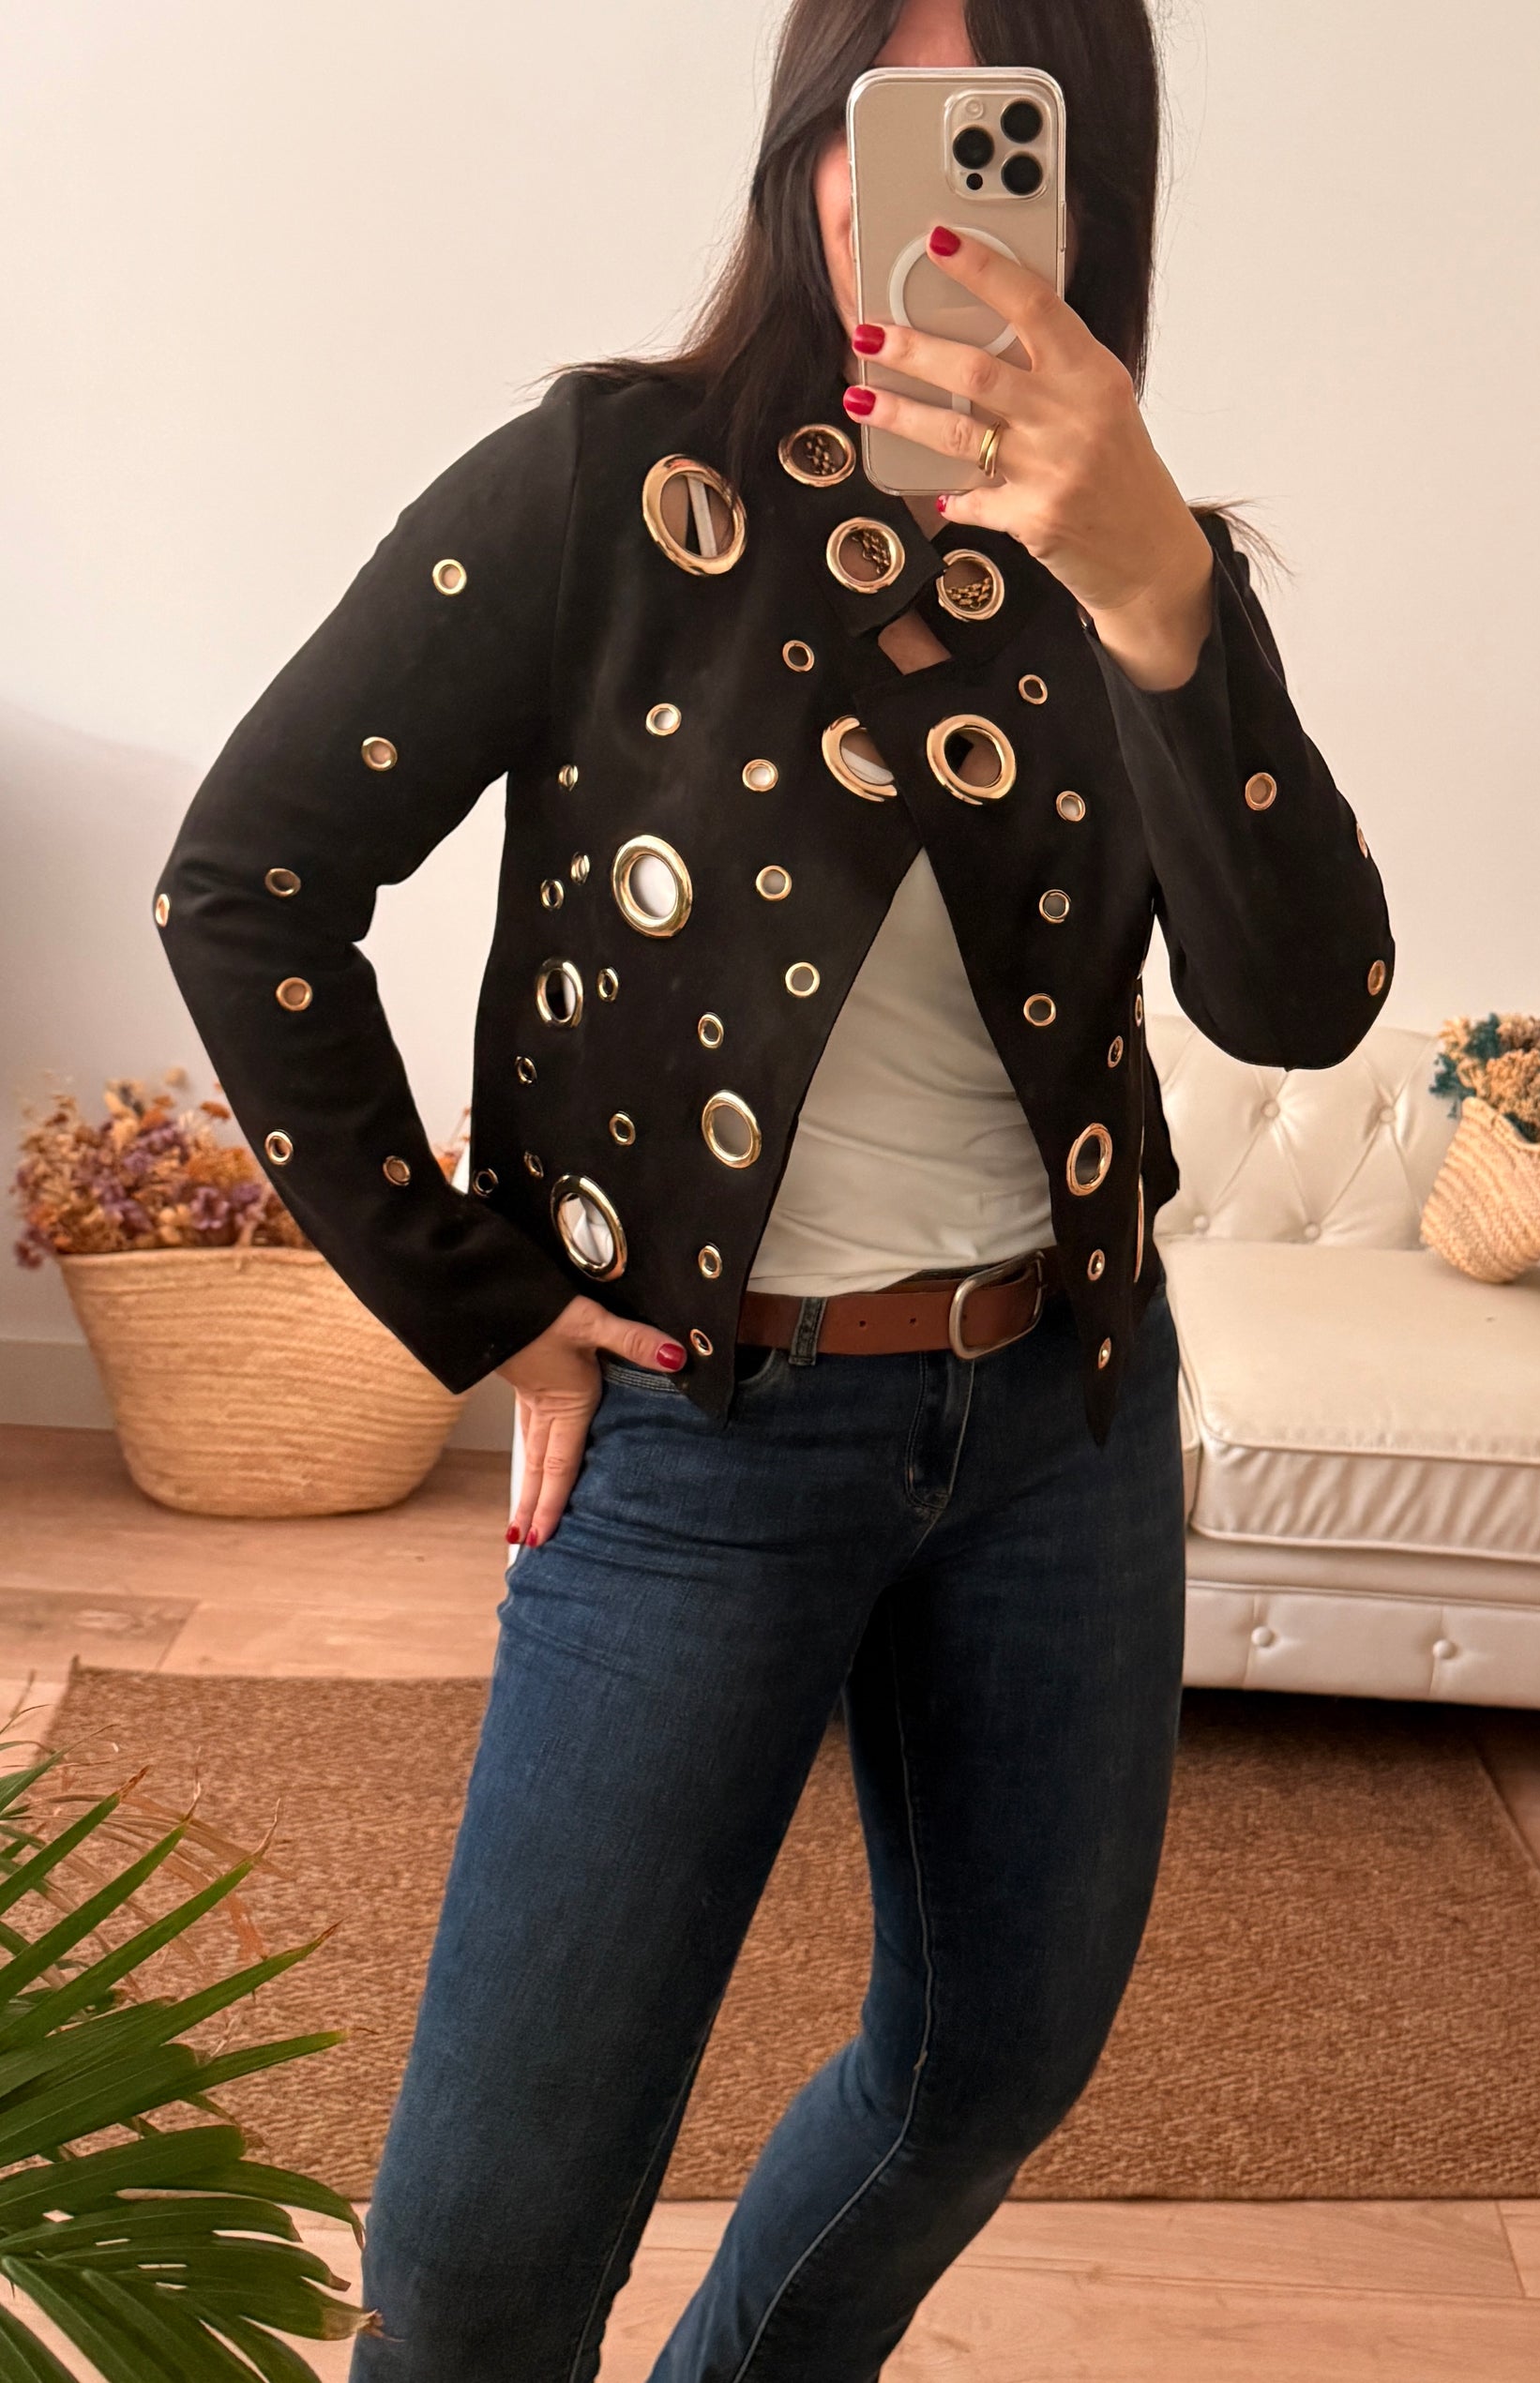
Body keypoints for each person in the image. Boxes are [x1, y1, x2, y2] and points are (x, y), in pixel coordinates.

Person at [157, 0, 1394, 2373]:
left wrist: (1162, 600)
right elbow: (246, 880)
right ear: (799, 141)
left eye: (989, 131)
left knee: (987, 2066)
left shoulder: (1143, 570)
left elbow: (1301, 1000)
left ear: (1086, 186)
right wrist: (469, 1291)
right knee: (482, 2255)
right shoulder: (604, 488)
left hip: (1061, 1428)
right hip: (694, 1432)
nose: (900, 194)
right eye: (869, 120)